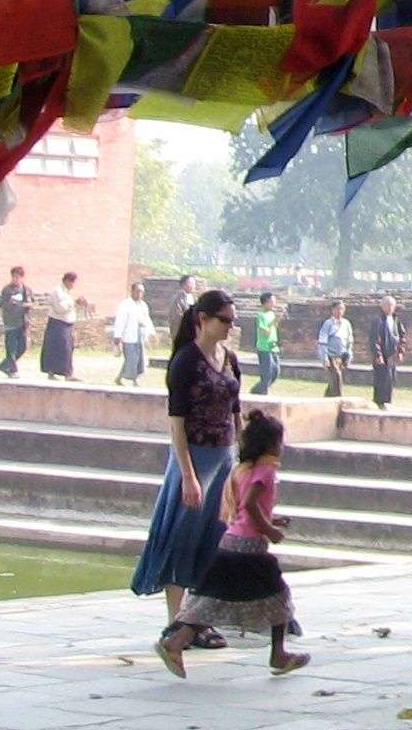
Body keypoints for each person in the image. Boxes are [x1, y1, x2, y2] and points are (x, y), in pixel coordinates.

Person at [152, 411, 307, 679]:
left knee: (214, 601)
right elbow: (249, 505)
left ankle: (175, 643)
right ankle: (278, 654)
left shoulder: (242, 470)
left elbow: (247, 508)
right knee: (279, 599)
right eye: (280, 442)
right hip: (250, 551)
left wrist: (271, 518)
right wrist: (269, 529)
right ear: (270, 445)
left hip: (229, 544)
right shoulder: (266, 472)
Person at [130, 289, 241, 653]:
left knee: (213, 539)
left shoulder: (230, 359)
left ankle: (200, 619)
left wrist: (239, 463)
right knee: (182, 537)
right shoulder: (186, 362)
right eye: (223, 319)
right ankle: (176, 621)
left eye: (232, 320)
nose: (229, 326)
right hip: (193, 458)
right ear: (203, 319)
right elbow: (176, 423)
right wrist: (189, 475)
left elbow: (236, 413)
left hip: (223, 457)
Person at [39, 271, 82, 380]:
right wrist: (74, 303)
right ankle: (57, 373)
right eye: (73, 282)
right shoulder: (58, 292)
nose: (73, 285)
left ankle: (67, 372)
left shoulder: (67, 292)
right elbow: (60, 309)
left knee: (67, 348)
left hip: (67, 324)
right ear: (67, 281)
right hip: (58, 324)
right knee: (60, 348)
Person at [112, 282, 154, 386]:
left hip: (140, 335)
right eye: (138, 291)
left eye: (142, 292)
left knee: (139, 359)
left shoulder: (143, 305)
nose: (140, 293)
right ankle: (134, 380)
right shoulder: (125, 305)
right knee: (131, 358)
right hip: (129, 336)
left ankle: (121, 378)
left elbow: (147, 320)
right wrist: (118, 336)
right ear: (132, 291)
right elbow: (120, 321)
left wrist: (151, 333)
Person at [369, 295, 403, 409]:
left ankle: (387, 400)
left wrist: (400, 351)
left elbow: (401, 335)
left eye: (392, 305)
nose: (390, 308)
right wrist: (378, 354)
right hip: (382, 353)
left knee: (390, 378)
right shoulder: (378, 320)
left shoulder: (395, 319)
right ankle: (380, 401)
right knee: (381, 378)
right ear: (382, 306)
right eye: (387, 305)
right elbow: (374, 338)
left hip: (392, 354)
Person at [316, 300, 353, 397]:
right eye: (337, 309)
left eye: (342, 309)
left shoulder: (346, 324)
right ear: (333, 310)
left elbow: (349, 341)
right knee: (337, 376)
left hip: (341, 356)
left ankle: (327, 398)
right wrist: (324, 358)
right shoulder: (328, 323)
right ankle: (339, 399)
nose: (339, 311)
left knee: (333, 380)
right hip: (331, 356)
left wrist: (349, 355)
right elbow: (322, 341)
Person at [0, 264, 29, 378]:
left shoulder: (26, 290)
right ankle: (12, 371)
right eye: (14, 277)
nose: (15, 279)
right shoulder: (7, 290)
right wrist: (10, 302)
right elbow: (1, 304)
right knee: (11, 348)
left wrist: (27, 305)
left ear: (22, 277)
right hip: (10, 323)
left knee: (22, 347)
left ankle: (4, 365)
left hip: (23, 322)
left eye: (18, 277)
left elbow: (32, 302)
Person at [251, 292, 280, 396]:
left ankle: (256, 390)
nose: (274, 303)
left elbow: (273, 329)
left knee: (276, 372)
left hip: (273, 347)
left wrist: (275, 321)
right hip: (264, 348)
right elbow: (265, 332)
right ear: (265, 302)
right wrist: (273, 322)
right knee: (267, 373)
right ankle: (262, 392)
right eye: (272, 301)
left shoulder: (272, 314)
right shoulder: (261, 315)